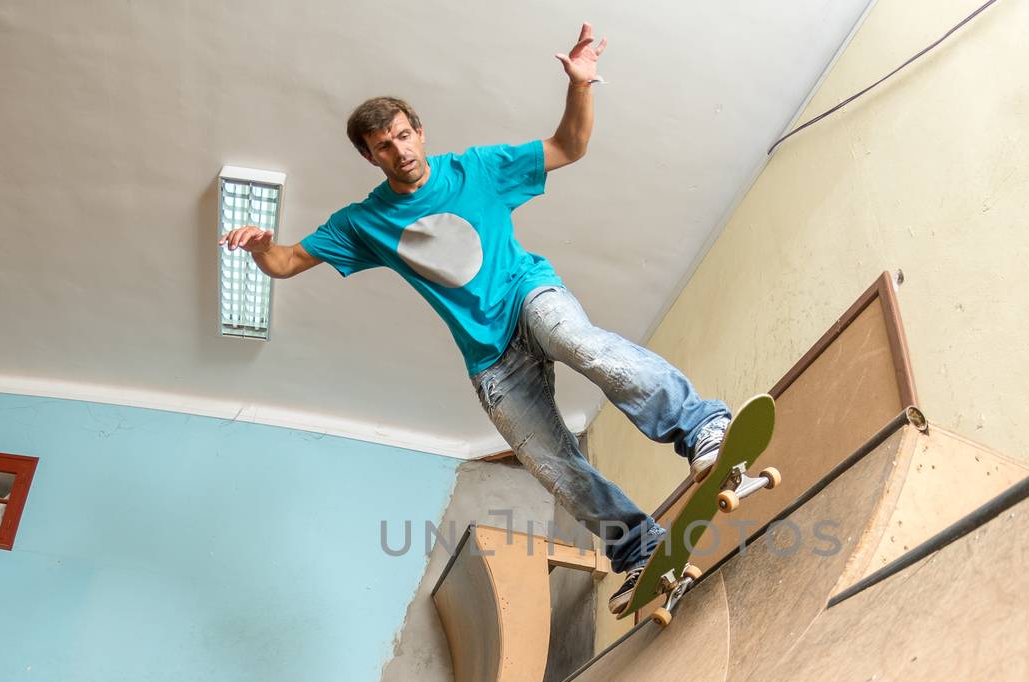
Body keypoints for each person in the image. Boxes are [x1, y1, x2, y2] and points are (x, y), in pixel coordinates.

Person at [219, 23, 730, 615]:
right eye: (384, 146)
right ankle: (640, 548)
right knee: (549, 463)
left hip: (528, 296)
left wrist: (581, 86)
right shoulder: (362, 223)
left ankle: (700, 428)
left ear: (420, 132)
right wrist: (260, 246)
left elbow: (569, 146)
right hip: (490, 358)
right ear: (368, 156)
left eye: (405, 136)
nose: (400, 151)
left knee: (578, 342)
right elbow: (287, 262)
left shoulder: (477, 170)